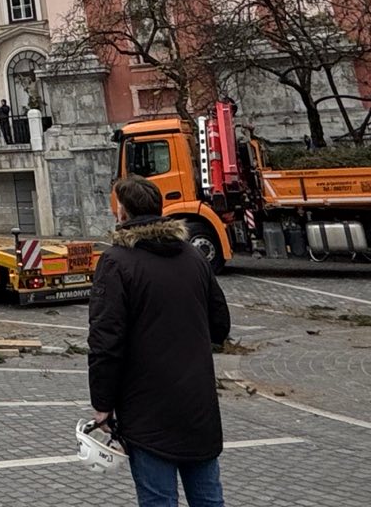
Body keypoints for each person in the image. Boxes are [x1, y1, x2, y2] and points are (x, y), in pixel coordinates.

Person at [89, 174, 231, 507]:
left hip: (146, 407)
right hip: (198, 403)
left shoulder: (115, 262)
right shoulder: (193, 256)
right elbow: (220, 326)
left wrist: (102, 405)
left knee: (158, 500)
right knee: (209, 498)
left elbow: (105, 342)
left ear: (122, 213)